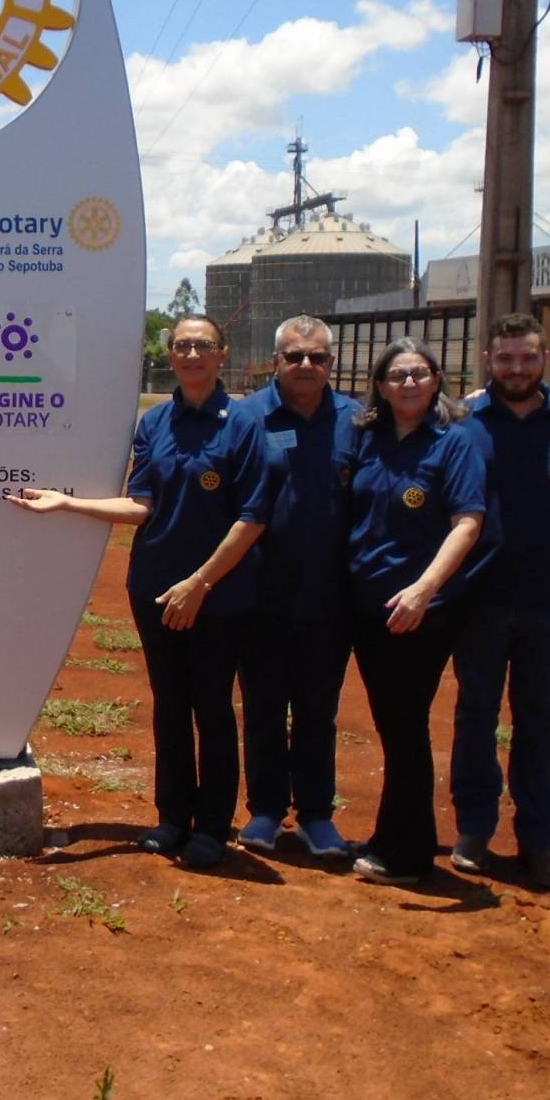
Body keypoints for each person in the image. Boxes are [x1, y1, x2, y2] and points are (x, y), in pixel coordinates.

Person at [9, 314, 270, 868]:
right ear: (170, 355)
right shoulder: (156, 425)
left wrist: (198, 584)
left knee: (213, 707)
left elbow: (251, 519)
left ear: (221, 355)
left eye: (203, 345)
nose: (192, 354)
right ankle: (174, 817)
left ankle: (213, 827)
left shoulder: (243, 425)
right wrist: (67, 502)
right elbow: (141, 504)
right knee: (171, 705)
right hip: (154, 587)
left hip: (215, 594)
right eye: (182, 345)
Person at [447, 315, 550, 890]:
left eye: (527, 358)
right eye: (505, 359)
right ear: (488, 360)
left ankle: (539, 840)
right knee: (475, 716)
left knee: (539, 722)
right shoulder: (463, 422)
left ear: (544, 358)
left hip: (549, 599)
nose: (516, 369)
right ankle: (475, 828)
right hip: (479, 597)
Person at [336, 338, 488, 885]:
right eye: (397, 375)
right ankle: (393, 836)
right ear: (379, 385)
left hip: (420, 610)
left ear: (436, 380)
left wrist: (424, 589)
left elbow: (468, 523)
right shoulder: (367, 439)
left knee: (404, 727)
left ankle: (409, 853)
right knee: (393, 725)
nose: (408, 383)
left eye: (418, 374)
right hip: (367, 604)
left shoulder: (454, 443)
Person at [236, 316, 363, 859]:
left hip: (330, 597)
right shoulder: (245, 419)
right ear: (276, 361)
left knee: (318, 710)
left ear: (332, 363)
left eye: (318, 357)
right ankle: (265, 811)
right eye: (295, 357)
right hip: (259, 593)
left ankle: (315, 815)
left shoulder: (359, 421)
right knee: (263, 705)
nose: (307, 366)